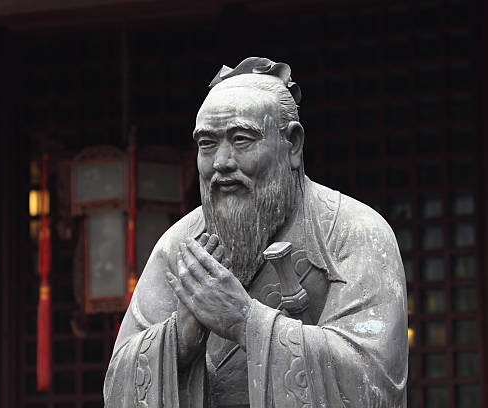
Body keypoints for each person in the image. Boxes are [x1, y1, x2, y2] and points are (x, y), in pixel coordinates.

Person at [104, 57, 408, 407]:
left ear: (292, 144)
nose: (221, 162)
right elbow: (118, 386)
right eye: (207, 144)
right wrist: (177, 341)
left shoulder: (355, 232)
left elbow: (372, 381)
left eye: (241, 139)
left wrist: (247, 322)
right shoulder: (180, 246)